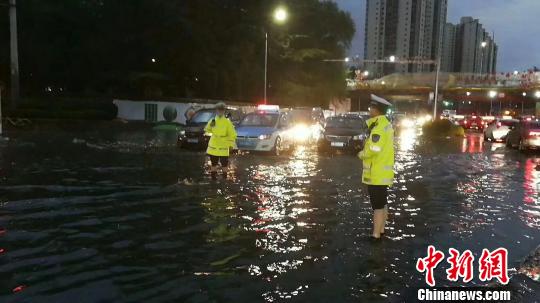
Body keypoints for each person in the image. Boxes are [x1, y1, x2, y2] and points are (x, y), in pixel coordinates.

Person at [357, 94, 395, 240]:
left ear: (376, 110)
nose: (369, 110)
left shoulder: (378, 127)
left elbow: (374, 148)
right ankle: (382, 229)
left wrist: (362, 154)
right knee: (383, 202)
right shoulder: (386, 124)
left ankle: (376, 235)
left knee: (377, 206)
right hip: (383, 172)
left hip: (376, 173)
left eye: (371, 108)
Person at [204, 102, 237, 180]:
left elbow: (232, 134)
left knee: (224, 164)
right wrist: (211, 126)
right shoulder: (213, 120)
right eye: (219, 110)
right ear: (216, 110)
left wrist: (231, 145)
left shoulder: (227, 122)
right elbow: (207, 129)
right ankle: (213, 179)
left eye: (221, 110)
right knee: (213, 163)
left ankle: (224, 178)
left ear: (224, 111)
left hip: (223, 146)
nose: (220, 112)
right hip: (214, 146)